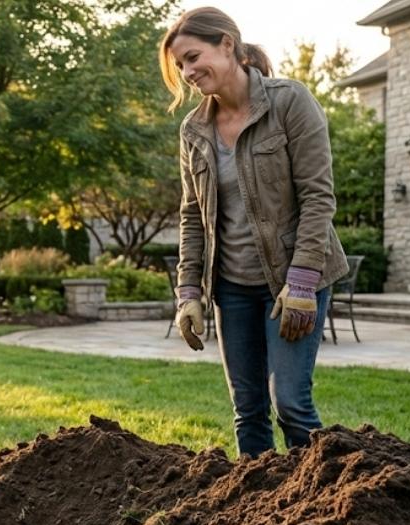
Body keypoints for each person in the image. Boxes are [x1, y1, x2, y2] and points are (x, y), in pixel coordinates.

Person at [158, 7, 349, 458]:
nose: (187, 72)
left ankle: (321, 503)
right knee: (248, 409)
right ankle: (257, 515)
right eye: (180, 65)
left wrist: (301, 282)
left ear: (228, 44)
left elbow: (318, 198)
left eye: (191, 57)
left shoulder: (289, 102)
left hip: (293, 281)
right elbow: (192, 215)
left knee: (292, 405)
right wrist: (188, 294)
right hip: (232, 289)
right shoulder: (194, 130)